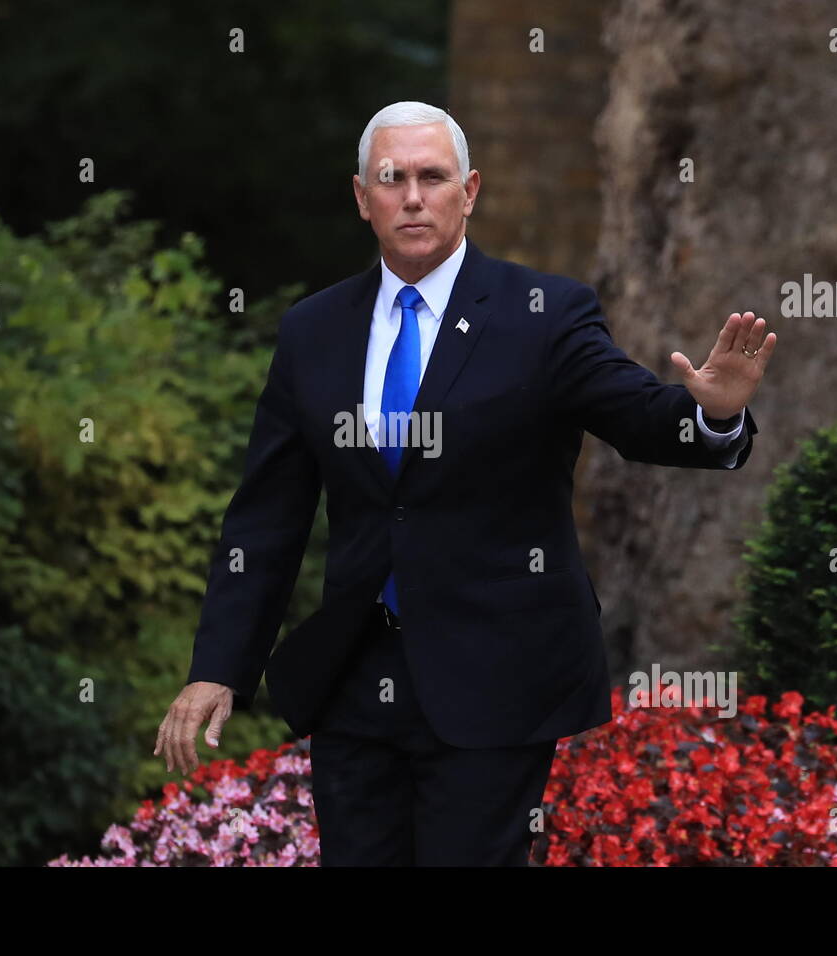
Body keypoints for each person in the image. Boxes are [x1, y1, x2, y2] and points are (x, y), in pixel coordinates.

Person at [154, 100, 776, 865]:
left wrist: (707, 415)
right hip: (355, 677)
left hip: (497, 673)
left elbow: (637, 416)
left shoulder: (542, 314)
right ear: (361, 197)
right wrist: (219, 667)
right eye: (393, 179)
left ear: (470, 190)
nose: (413, 196)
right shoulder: (313, 330)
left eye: (432, 177)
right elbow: (267, 517)